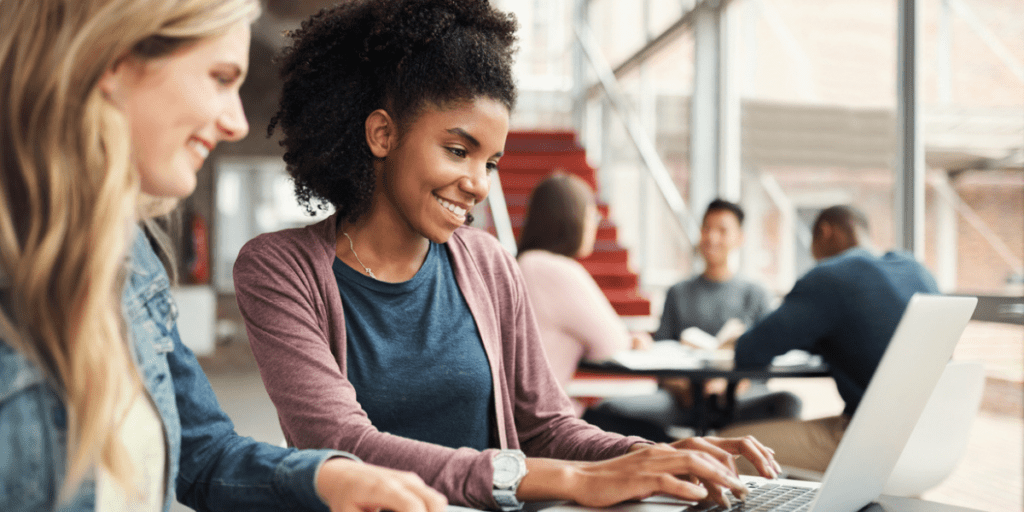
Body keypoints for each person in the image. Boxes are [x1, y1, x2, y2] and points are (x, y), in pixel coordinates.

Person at [232, 1, 781, 510]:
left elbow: (547, 427)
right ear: (382, 134)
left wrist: (652, 455)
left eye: (491, 162)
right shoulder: (280, 269)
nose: (478, 184)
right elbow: (342, 444)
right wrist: (565, 479)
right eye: (458, 150)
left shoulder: (487, 261)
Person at [0, 1, 447, 511]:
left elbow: (202, 454)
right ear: (111, 60)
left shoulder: (131, 256)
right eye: (220, 77)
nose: (236, 121)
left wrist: (326, 480)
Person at [718, 205, 941, 474]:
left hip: (868, 443)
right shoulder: (917, 270)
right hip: (931, 441)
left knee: (724, 447)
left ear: (824, 232)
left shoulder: (831, 276)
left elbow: (750, 351)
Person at [586, 200, 801, 440]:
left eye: (722, 230)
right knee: (609, 410)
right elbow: (659, 355)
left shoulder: (756, 294)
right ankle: (676, 453)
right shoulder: (678, 292)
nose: (711, 237)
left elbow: (766, 361)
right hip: (683, 399)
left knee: (788, 403)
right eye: (706, 228)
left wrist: (732, 384)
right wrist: (684, 388)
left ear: (740, 238)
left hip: (741, 398)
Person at [516, 173, 652, 415]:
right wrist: (634, 340)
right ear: (571, 219)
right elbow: (613, 346)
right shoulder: (557, 270)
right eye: (592, 215)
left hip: (517, 415)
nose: (595, 224)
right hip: (544, 420)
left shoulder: (523, 263)